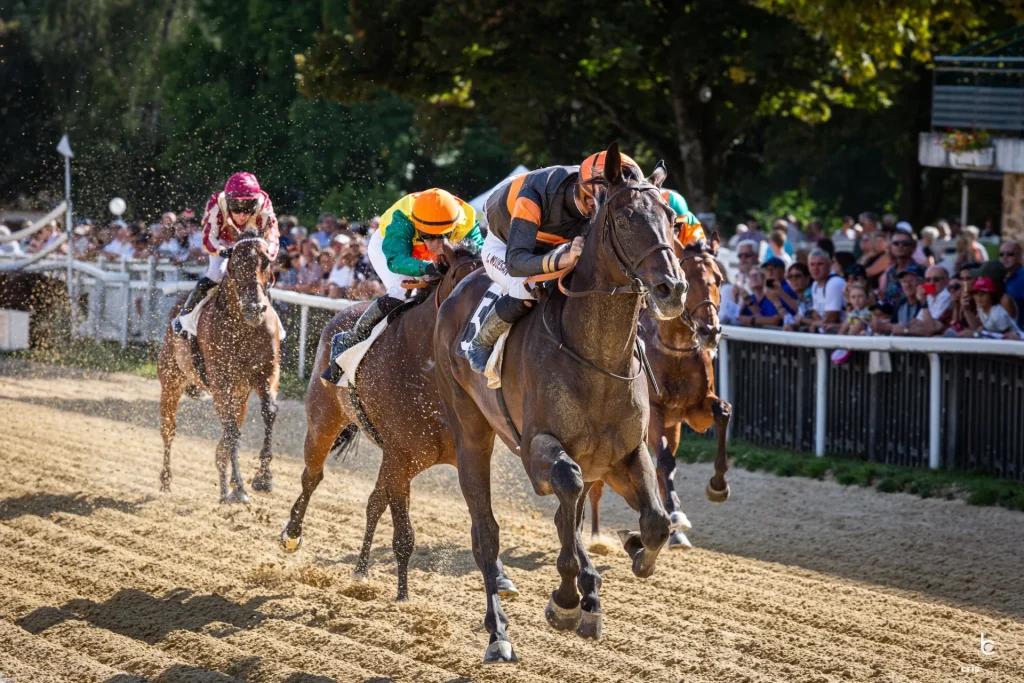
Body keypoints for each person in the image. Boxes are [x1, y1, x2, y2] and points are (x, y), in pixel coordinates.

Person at [456, 151, 647, 373]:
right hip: (507, 245)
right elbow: (516, 263)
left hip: (554, 243)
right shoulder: (535, 193)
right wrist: (563, 259)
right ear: (583, 191)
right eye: (596, 205)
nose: (599, 213)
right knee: (524, 289)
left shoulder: (599, 190)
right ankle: (480, 342)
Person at [321, 188, 483, 385]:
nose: (434, 244)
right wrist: (428, 267)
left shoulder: (467, 220)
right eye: (428, 236)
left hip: (433, 244)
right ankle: (348, 340)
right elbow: (396, 260)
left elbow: (478, 260)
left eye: (441, 236)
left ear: (453, 226)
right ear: (418, 226)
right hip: (390, 246)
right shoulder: (403, 218)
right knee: (401, 292)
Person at [172, 172, 279, 337]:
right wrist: (222, 251)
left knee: (261, 276)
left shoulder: (264, 204)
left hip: (253, 243)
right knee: (215, 274)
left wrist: (268, 255)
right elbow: (209, 237)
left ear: (255, 203)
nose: (242, 215)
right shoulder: (217, 203)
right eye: (236, 209)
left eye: (248, 208)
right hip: (224, 242)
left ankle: (274, 324)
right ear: (228, 203)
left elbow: (272, 237)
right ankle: (186, 317)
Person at [806, 248, 845, 333]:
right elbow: (814, 313)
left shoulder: (834, 283)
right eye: (812, 265)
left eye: (820, 264)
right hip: (826, 332)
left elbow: (832, 318)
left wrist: (816, 323)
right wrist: (820, 323)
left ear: (829, 265)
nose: (815, 268)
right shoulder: (815, 284)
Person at [1000, 240, 1024, 327]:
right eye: (1001, 254)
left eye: (1010, 254)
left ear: (1020, 257)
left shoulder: (1022, 277)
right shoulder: (1001, 277)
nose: (1005, 257)